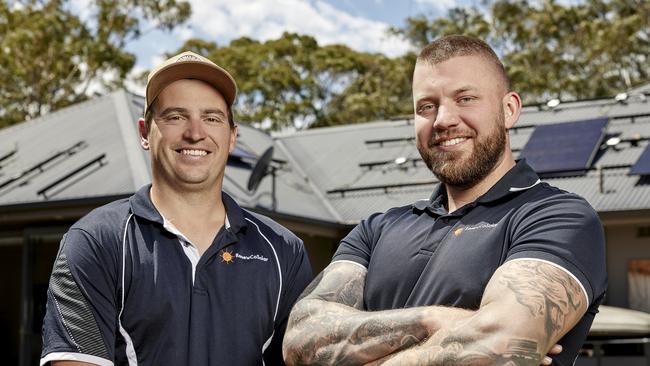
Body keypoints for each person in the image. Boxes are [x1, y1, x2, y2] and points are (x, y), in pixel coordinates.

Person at [283, 35, 607, 366]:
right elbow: (299, 339)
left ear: (509, 109)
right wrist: (433, 319)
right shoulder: (376, 229)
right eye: (426, 106)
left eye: (465, 98)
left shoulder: (557, 217)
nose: (442, 120)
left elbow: (503, 348)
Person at [40, 51, 313, 366]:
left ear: (232, 137)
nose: (195, 132)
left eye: (212, 118)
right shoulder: (96, 240)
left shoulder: (284, 251)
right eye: (175, 116)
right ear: (145, 132)